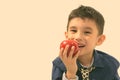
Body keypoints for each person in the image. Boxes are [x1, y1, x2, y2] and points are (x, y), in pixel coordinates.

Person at [52, 5, 120, 80]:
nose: (78, 37)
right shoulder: (60, 64)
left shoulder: (109, 64)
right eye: (73, 31)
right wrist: (71, 73)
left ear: (99, 40)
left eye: (87, 32)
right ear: (67, 36)